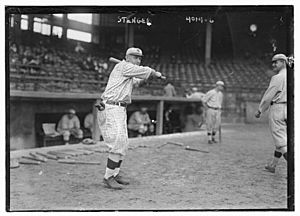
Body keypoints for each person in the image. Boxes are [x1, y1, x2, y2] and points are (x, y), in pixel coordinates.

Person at [96, 47, 163, 190]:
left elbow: (138, 82)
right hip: (111, 107)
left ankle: (115, 173)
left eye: (139, 58)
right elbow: (147, 71)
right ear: (127, 57)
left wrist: (148, 78)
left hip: (120, 108)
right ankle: (108, 177)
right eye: (134, 57)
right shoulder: (124, 66)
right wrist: (155, 73)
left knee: (123, 143)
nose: (138, 60)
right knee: (117, 142)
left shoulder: (128, 72)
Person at [255, 54, 287, 173]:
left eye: (276, 62)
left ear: (284, 62)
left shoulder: (278, 77)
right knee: (283, 138)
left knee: (281, 140)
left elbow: (268, 96)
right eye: (272, 63)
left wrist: (260, 110)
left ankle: (294, 167)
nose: (273, 65)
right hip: (291, 109)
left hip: (278, 108)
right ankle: (272, 165)